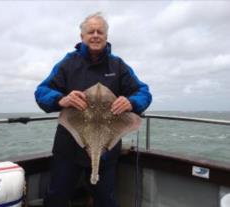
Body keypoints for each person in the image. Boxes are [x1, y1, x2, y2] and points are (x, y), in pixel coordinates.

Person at [34, 12, 152, 207]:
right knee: (57, 197)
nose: (95, 35)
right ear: (82, 37)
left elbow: (144, 92)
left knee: (106, 200)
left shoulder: (118, 65)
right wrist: (61, 99)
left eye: (100, 32)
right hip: (69, 146)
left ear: (106, 37)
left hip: (106, 147)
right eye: (91, 32)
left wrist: (132, 102)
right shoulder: (68, 63)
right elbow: (41, 92)